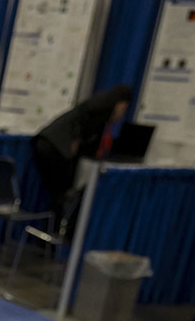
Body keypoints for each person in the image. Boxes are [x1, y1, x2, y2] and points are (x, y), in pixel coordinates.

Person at [31, 84, 132, 225]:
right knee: (63, 191)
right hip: (55, 145)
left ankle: (52, 231)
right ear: (122, 104)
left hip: (48, 143)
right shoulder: (104, 104)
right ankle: (53, 231)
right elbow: (83, 112)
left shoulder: (103, 111)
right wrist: (76, 138)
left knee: (62, 192)